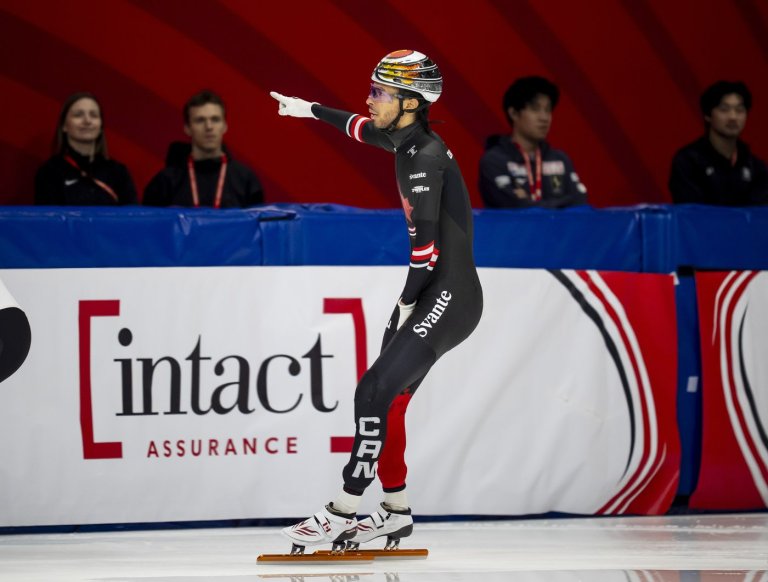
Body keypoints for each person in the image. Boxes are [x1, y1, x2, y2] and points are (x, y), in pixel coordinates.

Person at [270, 49, 483, 553]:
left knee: (371, 391)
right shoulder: (405, 138)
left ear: (410, 103)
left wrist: (409, 303)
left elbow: (425, 250)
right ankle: (394, 511)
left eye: (380, 93)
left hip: (448, 296)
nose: (369, 99)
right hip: (436, 291)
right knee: (390, 403)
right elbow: (359, 127)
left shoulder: (424, 158)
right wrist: (309, 110)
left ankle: (343, 511)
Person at [479, 76, 587, 208]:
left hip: (558, 229)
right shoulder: (494, 161)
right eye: (535, 109)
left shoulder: (561, 159)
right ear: (514, 113)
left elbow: (579, 201)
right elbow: (514, 207)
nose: (544, 117)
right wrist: (561, 205)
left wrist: (529, 202)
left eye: (548, 110)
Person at [143, 90, 263, 208]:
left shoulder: (246, 180)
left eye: (215, 119)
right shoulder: (165, 182)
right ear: (187, 128)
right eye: (200, 120)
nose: (209, 127)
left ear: (224, 126)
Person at [669, 80, 768, 205]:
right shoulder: (688, 162)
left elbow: (759, 215)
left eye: (739, 110)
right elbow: (691, 215)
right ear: (708, 115)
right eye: (724, 109)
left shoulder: (756, 167)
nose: (733, 117)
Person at [34, 92, 137, 205]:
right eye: (78, 115)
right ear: (64, 125)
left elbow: (131, 218)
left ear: (101, 126)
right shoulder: (50, 172)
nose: (87, 121)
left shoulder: (118, 172)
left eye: (94, 115)